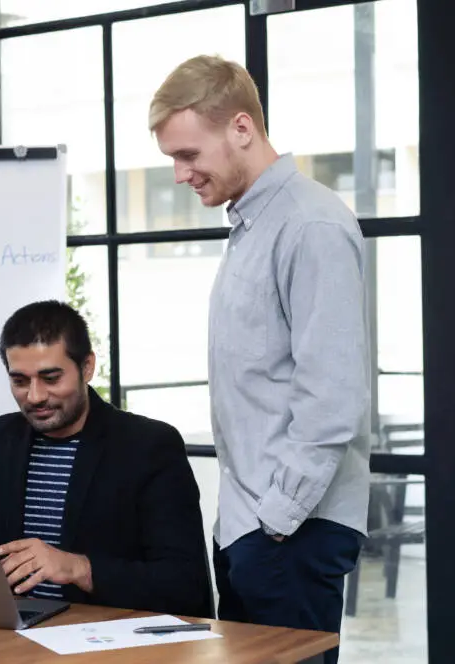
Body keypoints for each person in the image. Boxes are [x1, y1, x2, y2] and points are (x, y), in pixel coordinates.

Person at [149, 55, 369, 662]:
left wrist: (275, 522)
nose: (179, 174)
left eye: (189, 154)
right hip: (254, 530)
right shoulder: (252, 226)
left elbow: (332, 398)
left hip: (289, 533)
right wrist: (247, 531)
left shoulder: (310, 225)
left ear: (241, 129)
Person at [0, 301, 212, 617]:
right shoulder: (0, 439)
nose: (34, 396)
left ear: (87, 368)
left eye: (51, 378)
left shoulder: (148, 446)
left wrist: (79, 568)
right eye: (20, 381)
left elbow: (185, 584)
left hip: (112, 640)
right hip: (16, 637)